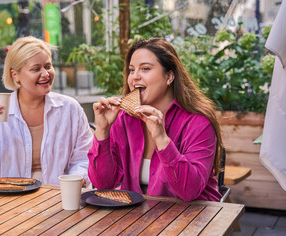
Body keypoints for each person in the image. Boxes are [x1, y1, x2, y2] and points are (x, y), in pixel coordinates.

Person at [88, 38, 223, 201]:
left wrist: (162, 139)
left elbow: (189, 191)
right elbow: (104, 184)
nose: (134, 77)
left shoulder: (198, 123)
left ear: (169, 77)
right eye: (131, 70)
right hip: (140, 215)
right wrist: (102, 131)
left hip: (194, 216)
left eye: (145, 68)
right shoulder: (123, 118)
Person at [0, 36, 93, 186]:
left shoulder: (69, 109)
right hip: (9, 199)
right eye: (36, 69)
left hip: (58, 198)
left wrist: (72, 185)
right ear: (15, 75)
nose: (46, 74)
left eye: (48, 66)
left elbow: (84, 159)